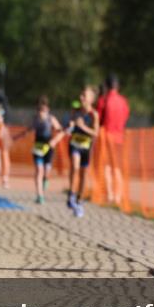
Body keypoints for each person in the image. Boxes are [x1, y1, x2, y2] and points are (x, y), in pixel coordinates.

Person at [97, 73, 130, 205]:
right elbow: (126, 115)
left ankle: (110, 194)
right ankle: (118, 195)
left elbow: (99, 119)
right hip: (120, 137)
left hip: (106, 137)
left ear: (106, 85)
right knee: (117, 167)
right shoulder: (123, 101)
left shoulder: (103, 100)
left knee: (107, 167)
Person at [67, 86, 100, 218]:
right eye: (81, 95)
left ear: (91, 100)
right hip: (75, 143)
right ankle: (71, 193)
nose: (81, 98)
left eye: (84, 96)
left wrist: (83, 127)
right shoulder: (75, 111)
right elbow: (70, 123)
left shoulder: (94, 115)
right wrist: (71, 125)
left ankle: (79, 201)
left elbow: (96, 133)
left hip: (86, 146)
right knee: (75, 166)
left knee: (83, 174)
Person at [30, 96, 64, 204]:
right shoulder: (35, 120)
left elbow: (61, 131)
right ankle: (40, 195)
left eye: (43, 110)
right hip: (38, 147)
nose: (41, 113)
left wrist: (55, 140)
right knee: (39, 170)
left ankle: (45, 180)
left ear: (47, 110)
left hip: (48, 147)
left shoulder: (51, 119)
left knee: (46, 172)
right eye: (39, 110)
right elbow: (27, 130)